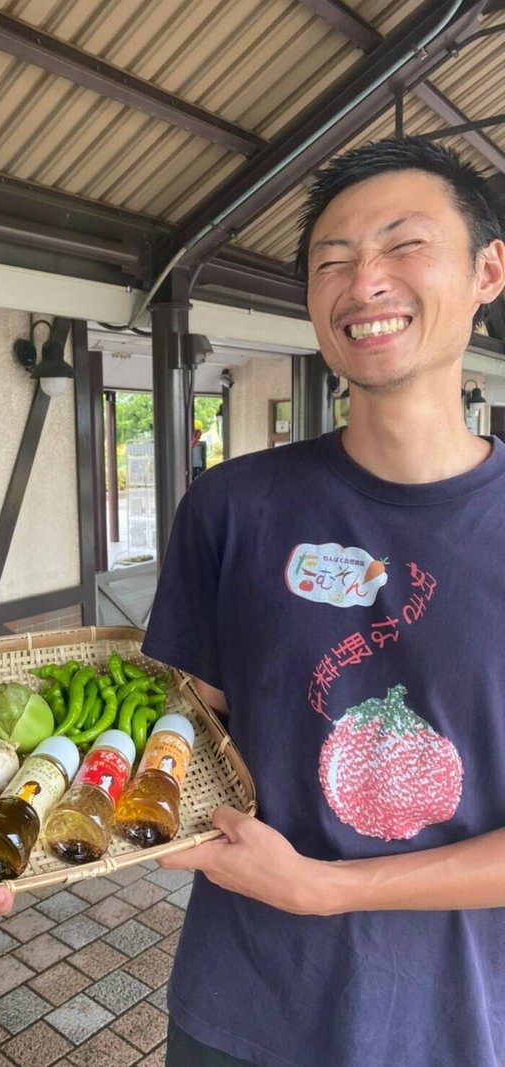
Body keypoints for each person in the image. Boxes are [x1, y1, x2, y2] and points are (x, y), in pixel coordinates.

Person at [142, 136, 505, 1066]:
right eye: (331, 260)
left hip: (456, 1018)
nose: (363, 280)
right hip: (242, 1003)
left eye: (402, 244)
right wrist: (4, 818)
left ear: (487, 271)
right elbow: (185, 728)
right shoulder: (233, 505)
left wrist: (328, 888)